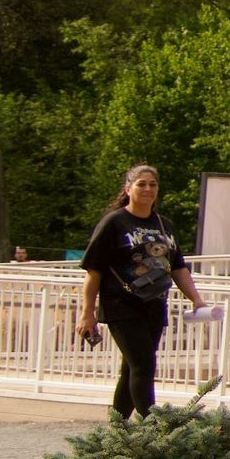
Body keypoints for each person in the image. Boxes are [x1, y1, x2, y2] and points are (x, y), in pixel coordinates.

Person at [76, 166, 210, 419]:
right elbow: (94, 271)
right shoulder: (114, 222)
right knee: (144, 365)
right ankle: (155, 429)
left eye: (152, 184)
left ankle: (118, 433)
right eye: (141, 184)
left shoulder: (164, 225)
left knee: (131, 370)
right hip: (121, 305)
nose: (147, 189)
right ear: (128, 189)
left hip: (154, 305)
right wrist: (87, 313)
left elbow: (178, 267)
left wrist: (196, 299)